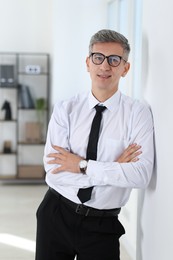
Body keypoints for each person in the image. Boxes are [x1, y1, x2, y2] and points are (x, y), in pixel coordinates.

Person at [35, 29, 154, 260]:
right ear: (88, 63)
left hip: (103, 225)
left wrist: (81, 165)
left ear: (125, 68)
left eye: (114, 60)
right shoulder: (65, 110)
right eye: (98, 57)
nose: (105, 66)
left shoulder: (137, 114)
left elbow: (140, 176)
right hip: (56, 213)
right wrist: (114, 167)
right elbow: (54, 172)